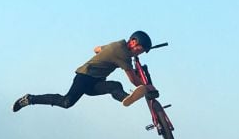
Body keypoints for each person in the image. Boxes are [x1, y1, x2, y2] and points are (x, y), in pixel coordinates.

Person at [12, 31, 157, 112]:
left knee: (115, 86)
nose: (139, 53)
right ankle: (30, 99)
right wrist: (147, 87)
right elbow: (132, 78)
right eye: (140, 49)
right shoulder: (122, 53)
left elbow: (97, 49)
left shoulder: (116, 45)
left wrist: (103, 55)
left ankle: (125, 98)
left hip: (96, 82)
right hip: (84, 77)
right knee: (66, 102)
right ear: (132, 42)